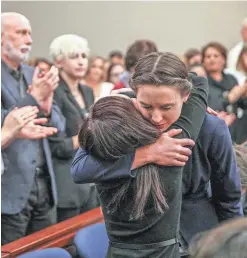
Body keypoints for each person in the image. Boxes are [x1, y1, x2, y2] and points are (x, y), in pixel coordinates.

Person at [72, 52, 208, 258]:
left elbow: (80, 170)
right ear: (136, 97)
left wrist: (122, 96)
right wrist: (146, 154)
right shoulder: (177, 139)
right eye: (146, 105)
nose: (156, 118)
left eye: (166, 107)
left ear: (185, 96)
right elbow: (199, 81)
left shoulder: (174, 139)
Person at [1, 12, 65, 244]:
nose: (28, 40)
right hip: (9, 186)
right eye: (21, 33)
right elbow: (4, 123)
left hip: (44, 185)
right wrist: (34, 98)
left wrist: (46, 108)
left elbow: (59, 126)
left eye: (29, 33)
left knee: (44, 250)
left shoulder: (33, 74)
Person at [48, 34, 99, 222]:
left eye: (83, 56)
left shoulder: (87, 91)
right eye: (74, 56)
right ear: (59, 61)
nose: (81, 62)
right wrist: (86, 136)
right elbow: (57, 146)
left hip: (90, 177)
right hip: (66, 182)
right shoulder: (53, 93)